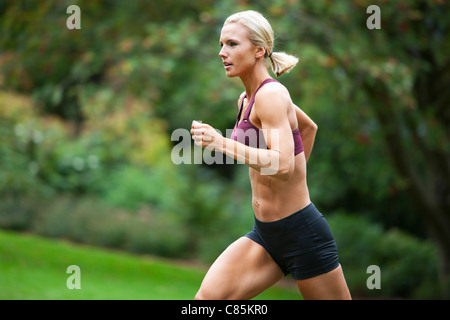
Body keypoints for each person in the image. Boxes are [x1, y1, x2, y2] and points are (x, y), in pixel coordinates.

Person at [190, 10, 351, 300]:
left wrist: (221, 142)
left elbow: (284, 165)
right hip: (266, 235)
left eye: (232, 44)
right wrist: (288, 182)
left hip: (302, 235)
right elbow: (307, 127)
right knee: (207, 301)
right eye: (221, 44)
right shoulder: (246, 99)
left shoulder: (271, 96)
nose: (221, 52)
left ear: (259, 50)